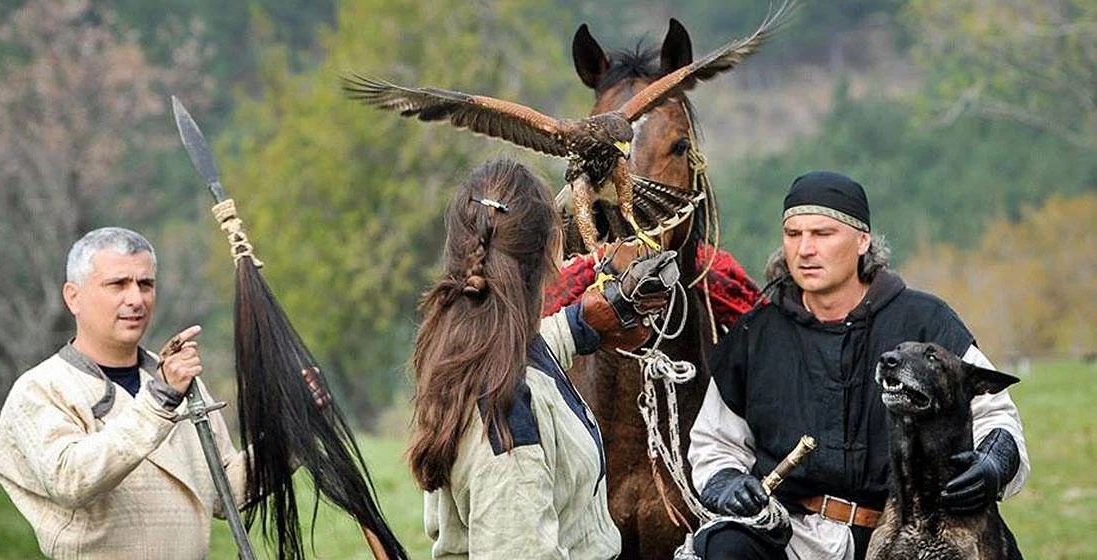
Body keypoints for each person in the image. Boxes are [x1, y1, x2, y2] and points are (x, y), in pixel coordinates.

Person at [687, 171, 1029, 559]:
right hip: (793, 536)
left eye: (823, 234)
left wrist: (992, 462)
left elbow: (995, 415)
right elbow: (714, 443)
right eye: (793, 234)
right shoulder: (755, 334)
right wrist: (727, 482)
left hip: (908, 534)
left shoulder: (925, 320)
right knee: (724, 546)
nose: (804, 250)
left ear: (862, 240)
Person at [409, 159, 672, 559]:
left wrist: (581, 324)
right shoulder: (506, 409)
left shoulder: (467, 351)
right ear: (552, 252)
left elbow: (528, 352)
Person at [0, 227, 247, 559]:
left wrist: (301, 430)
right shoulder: (41, 388)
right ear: (73, 297)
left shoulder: (174, 378)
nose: (136, 299)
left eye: (146, 285)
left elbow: (225, 490)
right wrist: (160, 401)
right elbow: (71, 480)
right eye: (118, 284)